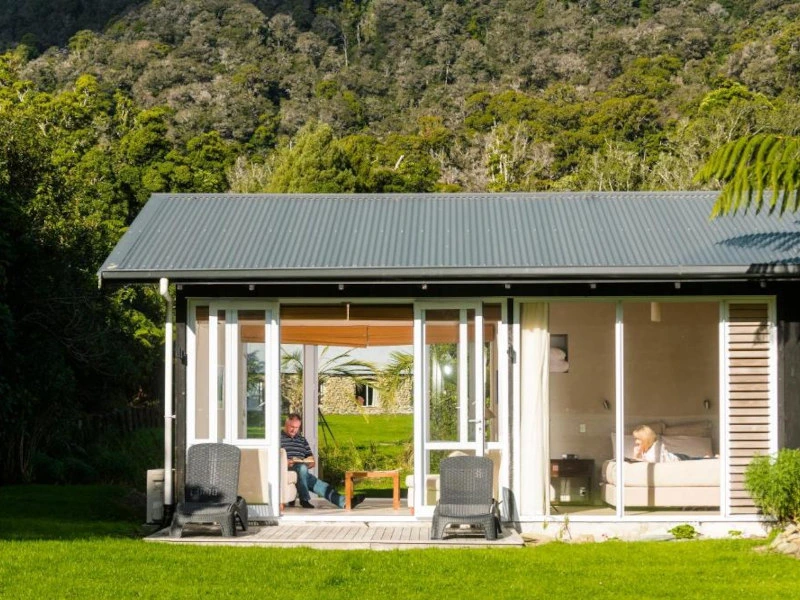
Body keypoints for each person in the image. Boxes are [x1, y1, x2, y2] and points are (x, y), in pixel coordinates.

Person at [281, 413, 365, 509]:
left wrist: (307, 463)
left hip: (301, 469)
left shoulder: (302, 440)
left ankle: (345, 503)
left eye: (297, 427)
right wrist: (285, 462)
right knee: (303, 469)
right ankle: (304, 500)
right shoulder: (278, 438)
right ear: (286, 424)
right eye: (292, 427)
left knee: (319, 484)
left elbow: (312, 461)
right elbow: (273, 458)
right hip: (287, 468)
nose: (294, 430)